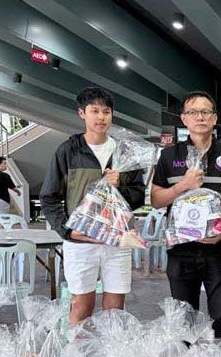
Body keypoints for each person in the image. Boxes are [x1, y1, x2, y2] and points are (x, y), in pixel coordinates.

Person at [42, 86, 147, 327]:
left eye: (106, 112)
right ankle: (78, 350)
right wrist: (68, 231)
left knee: (115, 309)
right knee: (81, 306)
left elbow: (139, 197)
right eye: (95, 111)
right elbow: (49, 197)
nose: (101, 117)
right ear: (82, 114)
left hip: (117, 241)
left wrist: (119, 185)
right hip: (81, 243)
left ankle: (109, 351)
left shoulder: (124, 153)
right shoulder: (68, 150)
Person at [151, 91, 221, 339]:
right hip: (181, 250)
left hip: (220, 249)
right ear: (184, 119)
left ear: (214, 118)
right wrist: (182, 186)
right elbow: (156, 200)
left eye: (205, 112)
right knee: (184, 320)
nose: (200, 117)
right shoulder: (169, 156)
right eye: (193, 112)